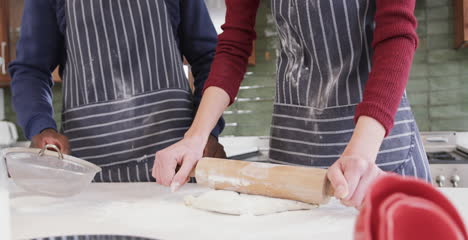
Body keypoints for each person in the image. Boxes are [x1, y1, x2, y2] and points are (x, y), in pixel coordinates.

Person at [153, 0, 431, 207]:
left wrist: (362, 151)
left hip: (376, 149)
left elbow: (396, 34)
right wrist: (196, 137)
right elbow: (234, 43)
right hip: (296, 151)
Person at [9, 0, 226, 182]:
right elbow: (31, 70)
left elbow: (208, 59)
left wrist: (206, 132)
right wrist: (41, 127)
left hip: (178, 171)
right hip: (90, 179)